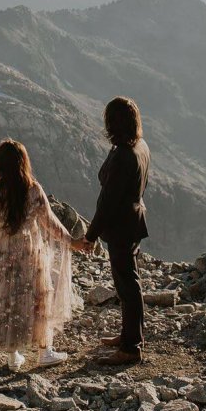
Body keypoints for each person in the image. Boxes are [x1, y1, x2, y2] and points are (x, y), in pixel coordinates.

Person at [0, 139, 88, 371]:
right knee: (38, 298)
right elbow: (50, 223)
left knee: (6, 302)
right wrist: (72, 242)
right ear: (23, 163)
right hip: (27, 254)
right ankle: (44, 352)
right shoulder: (33, 190)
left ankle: (13, 355)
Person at [82, 97, 150, 365]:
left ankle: (131, 347)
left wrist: (90, 236)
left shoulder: (123, 155)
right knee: (128, 282)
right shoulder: (139, 146)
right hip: (133, 221)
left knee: (127, 284)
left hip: (121, 226)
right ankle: (129, 336)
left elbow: (108, 203)